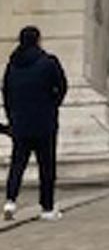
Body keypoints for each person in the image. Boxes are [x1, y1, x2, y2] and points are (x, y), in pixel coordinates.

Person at [2, 26, 68, 221]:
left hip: (20, 122)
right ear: (38, 40)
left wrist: (12, 117)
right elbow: (62, 86)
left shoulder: (12, 66)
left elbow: (6, 94)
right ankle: (46, 208)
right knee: (46, 166)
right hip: (44, 121)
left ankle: (10, 201)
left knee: (17, 164)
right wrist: (52, 104)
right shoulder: (48, 62)